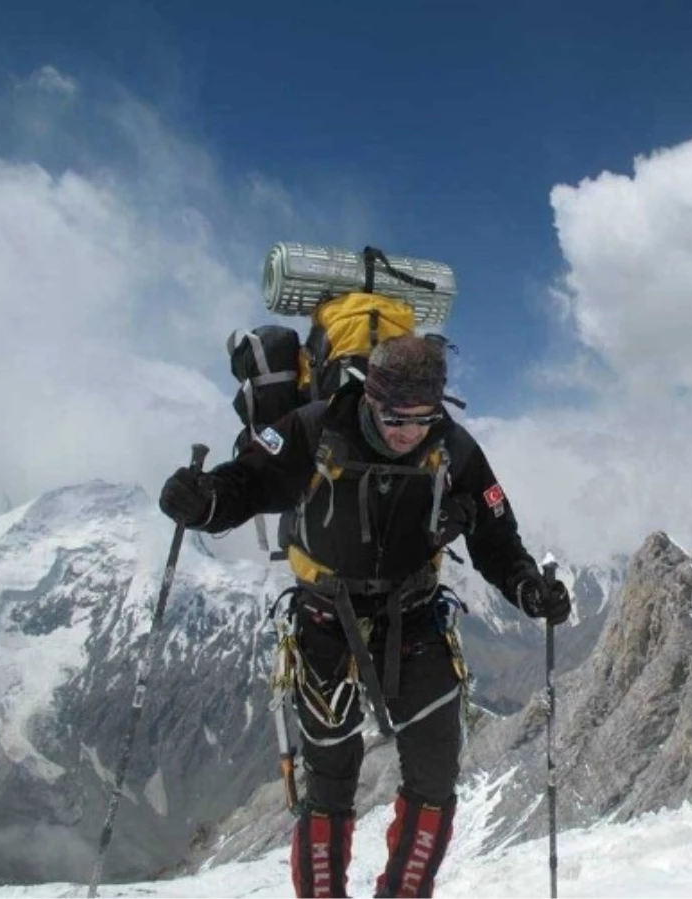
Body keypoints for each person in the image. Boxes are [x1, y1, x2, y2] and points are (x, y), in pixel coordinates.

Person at [159, 335, 571, 898]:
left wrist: (527, 588)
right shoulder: (314, 427)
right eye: (395, 415)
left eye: (423, 417)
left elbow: (496, 538)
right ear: (370, 396)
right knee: (329, 781)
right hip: (326, 620)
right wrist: (204, 501)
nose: (407, 431)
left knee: (435, 772)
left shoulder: (456, 448)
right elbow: (249, 482)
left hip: (416, 616)